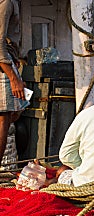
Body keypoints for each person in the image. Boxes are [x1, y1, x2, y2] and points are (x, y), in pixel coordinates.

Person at [0, 0, 29, 164]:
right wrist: (13, 77)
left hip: (8, 61)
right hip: (3, 64)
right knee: (3, 118)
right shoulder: (6, 3)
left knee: (12, 114)